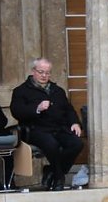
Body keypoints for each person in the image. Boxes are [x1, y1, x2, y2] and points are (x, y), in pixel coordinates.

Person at [10, 58, 83, 191]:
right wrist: (37, 108)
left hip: (59, 128)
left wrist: (75, 123)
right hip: (35, 130)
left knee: (76, 143)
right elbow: (17, 111)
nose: (44, 75)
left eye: (47, 73)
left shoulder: (57, 90)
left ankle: (51, 170)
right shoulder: (21, 91)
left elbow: (69, 109)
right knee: (51, 144)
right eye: (41, 72)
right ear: (33, 71)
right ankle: (59, 177)